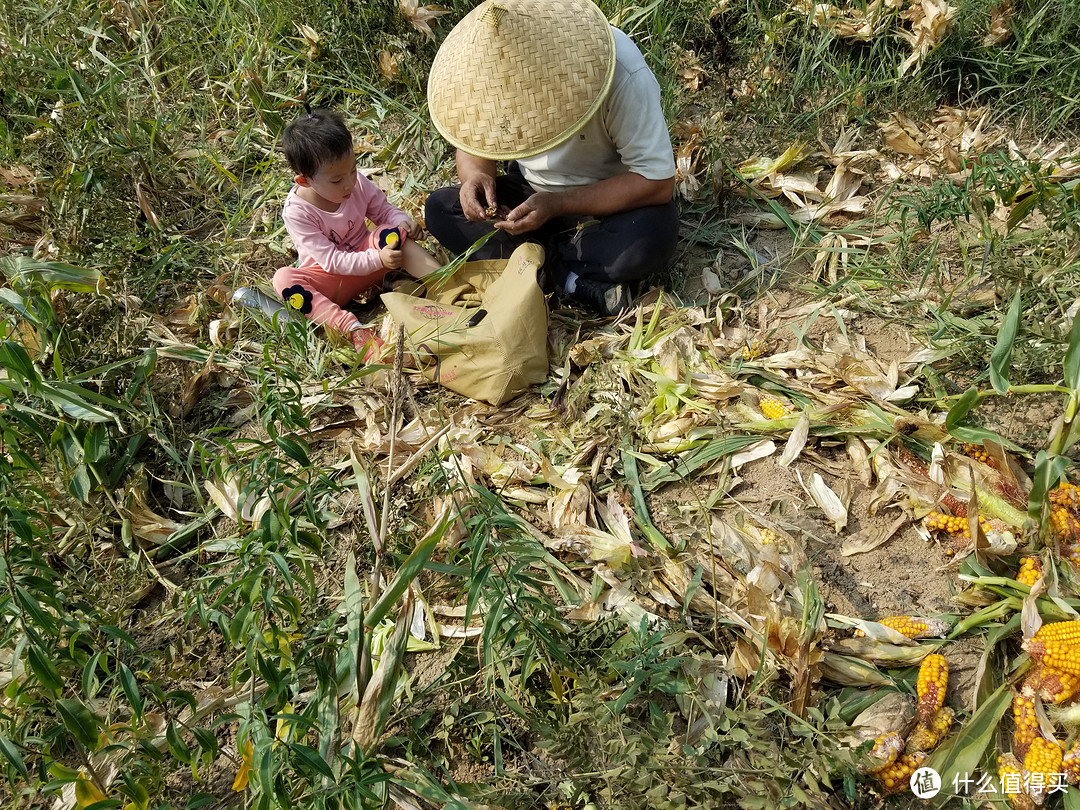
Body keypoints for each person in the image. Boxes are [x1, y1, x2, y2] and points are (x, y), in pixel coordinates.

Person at [424, 0, 678, 317]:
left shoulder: (621, 72)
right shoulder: (482, 76)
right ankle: (569, 277)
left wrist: (557, 204)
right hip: (530, 192)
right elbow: (475, 142)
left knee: (647, 239)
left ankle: (537, 269)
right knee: (440, 209)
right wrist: (476, 176)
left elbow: (656, 182)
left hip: (611, 204)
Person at [274, 107, 440, 361]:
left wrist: (404, 223)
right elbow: (331, 261)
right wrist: (378, 260)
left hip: (372, 256)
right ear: (304, 181)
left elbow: (384, 211)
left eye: (353, 169)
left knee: (391, 233)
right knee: (284, 280)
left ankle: (445, 282)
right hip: (333, 279)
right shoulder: (297, 212)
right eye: (336, 180)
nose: (350, 183)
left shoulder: (357, 183)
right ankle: (352, 328)